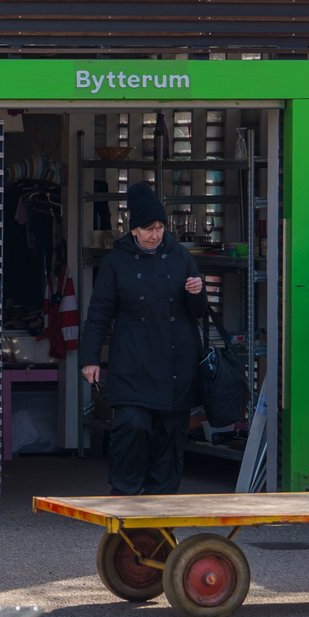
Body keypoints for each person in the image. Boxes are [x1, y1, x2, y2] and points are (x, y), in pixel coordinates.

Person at [78, 182, 206, 496]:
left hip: (175, 362)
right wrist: (90, 358)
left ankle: (161, 508)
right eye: (149, 228)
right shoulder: (116, 262)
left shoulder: (179, 257)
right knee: (132, 427)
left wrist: (197, 293)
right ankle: (124, 495)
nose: (155, 234)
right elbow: (99, 312)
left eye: (160, 227)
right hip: (132, 360)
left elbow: (199, 313)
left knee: (169, 435)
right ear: (134, 230)